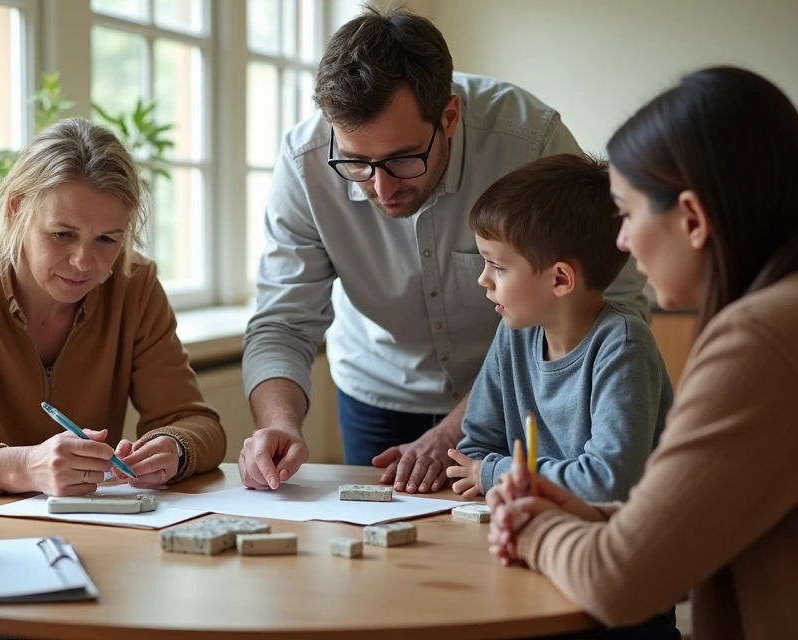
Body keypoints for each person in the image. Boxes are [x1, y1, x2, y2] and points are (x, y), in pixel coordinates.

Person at [239, 4, 648, 493]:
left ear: (449, 116)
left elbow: (606, 292)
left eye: (402, 159)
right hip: (377, 388)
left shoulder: (530, 141)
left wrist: (455, 434)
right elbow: (282, 321)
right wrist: (280, 423)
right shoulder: (304, 163)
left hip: (518, 392)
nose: (381, 189)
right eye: (355, 164)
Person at [487, 66, 798, 637]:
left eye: (627, 214)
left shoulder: (759, 339)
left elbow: (619, 581)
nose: (622, 241)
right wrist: (587, 515)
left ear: (691, 218)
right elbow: (709, 518)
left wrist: (530, 529)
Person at [0, 117, 226, 496]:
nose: (84, 262)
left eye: (106, 239)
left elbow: (198, 424)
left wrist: (175, 448)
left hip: (96, 530)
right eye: (62, 235)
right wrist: (22, 467)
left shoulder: (135, 285)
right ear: (16, 209)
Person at [447, 154, 672, 502]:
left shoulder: (624, 344)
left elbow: (608, 482)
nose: (483, 279)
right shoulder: (513, 332)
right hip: (537, 522)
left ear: (561, 279)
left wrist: (499, 474)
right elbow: (474, 450)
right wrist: (500, 474)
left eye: (498, 266)